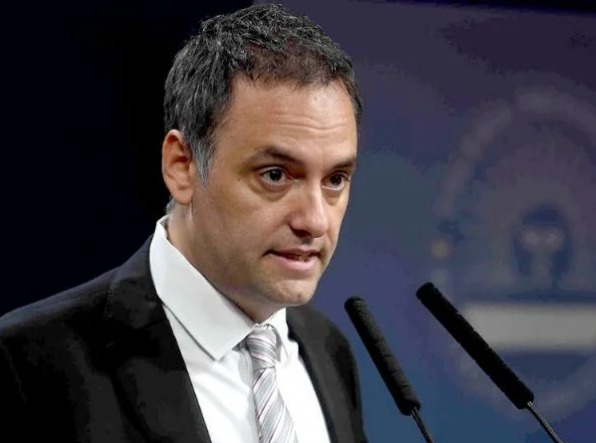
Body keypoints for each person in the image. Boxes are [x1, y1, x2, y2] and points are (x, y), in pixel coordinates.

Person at [0, 3, 367, 442]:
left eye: (335, 179)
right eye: (275, 175)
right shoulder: (29, 363)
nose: (315, 220)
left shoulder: (329, 350)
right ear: (182, 166)